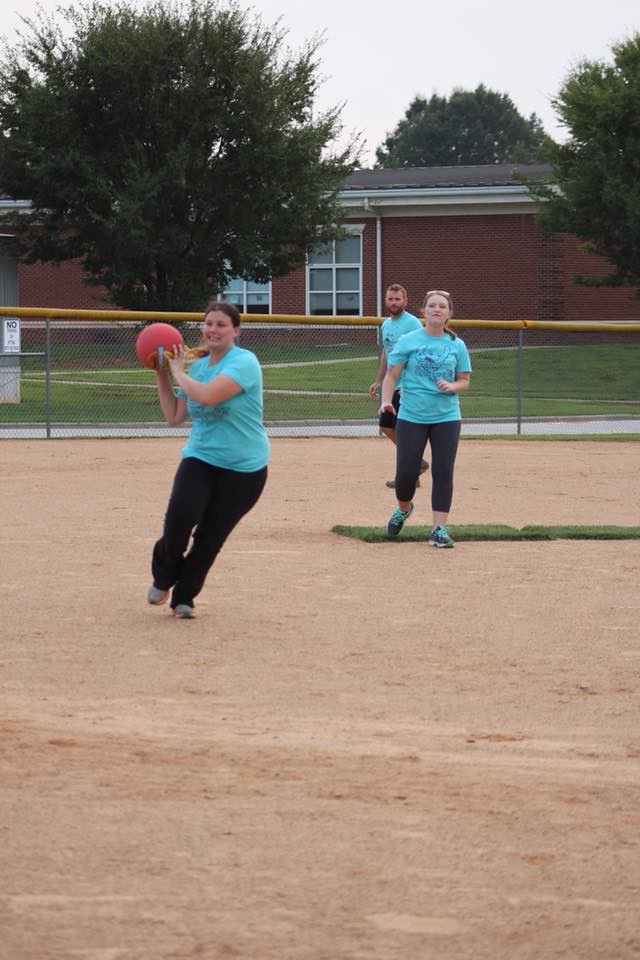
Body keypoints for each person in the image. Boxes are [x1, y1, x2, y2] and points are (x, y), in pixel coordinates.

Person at [147, 299, 270, 618]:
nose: (212, 330)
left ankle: (184, 599)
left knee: (209, 536)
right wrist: (162, 374)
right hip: (201, 457)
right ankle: (163, 577)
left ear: (236, 331)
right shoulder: (199, 367)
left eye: (221, 324)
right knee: (179, 519)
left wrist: (177, 371)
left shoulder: (244, 362)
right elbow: (175, 416)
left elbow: (209, 396)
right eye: (208, 324)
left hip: (245, 468)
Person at [378, 289, 471, 548]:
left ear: (449, 313)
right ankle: (404, 508)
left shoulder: (456, 344)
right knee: (406, 473)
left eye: (442, 306)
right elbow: (392, 375)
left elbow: (464, 381)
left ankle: (439, 529)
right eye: (432, 306)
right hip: (412, 416)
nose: (437, 309)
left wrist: (453, 387)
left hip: (447, 417)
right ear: (424, 312)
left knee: (443, 471)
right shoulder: (409, 340)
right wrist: (386, 400)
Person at [369, 283, 429, 488]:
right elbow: (387, 353)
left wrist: (414, 381)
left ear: (405, 301)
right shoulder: (386, 324)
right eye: (390, 299)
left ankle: (408, 474)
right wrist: (379, 380)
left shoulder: (412, 323)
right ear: (386, 301)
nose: (394, 302)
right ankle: (416, 463)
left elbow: (421, 352)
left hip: (407, 385)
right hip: (391, 384)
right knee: (386, 426)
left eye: (397, 299)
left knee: (403, 430)